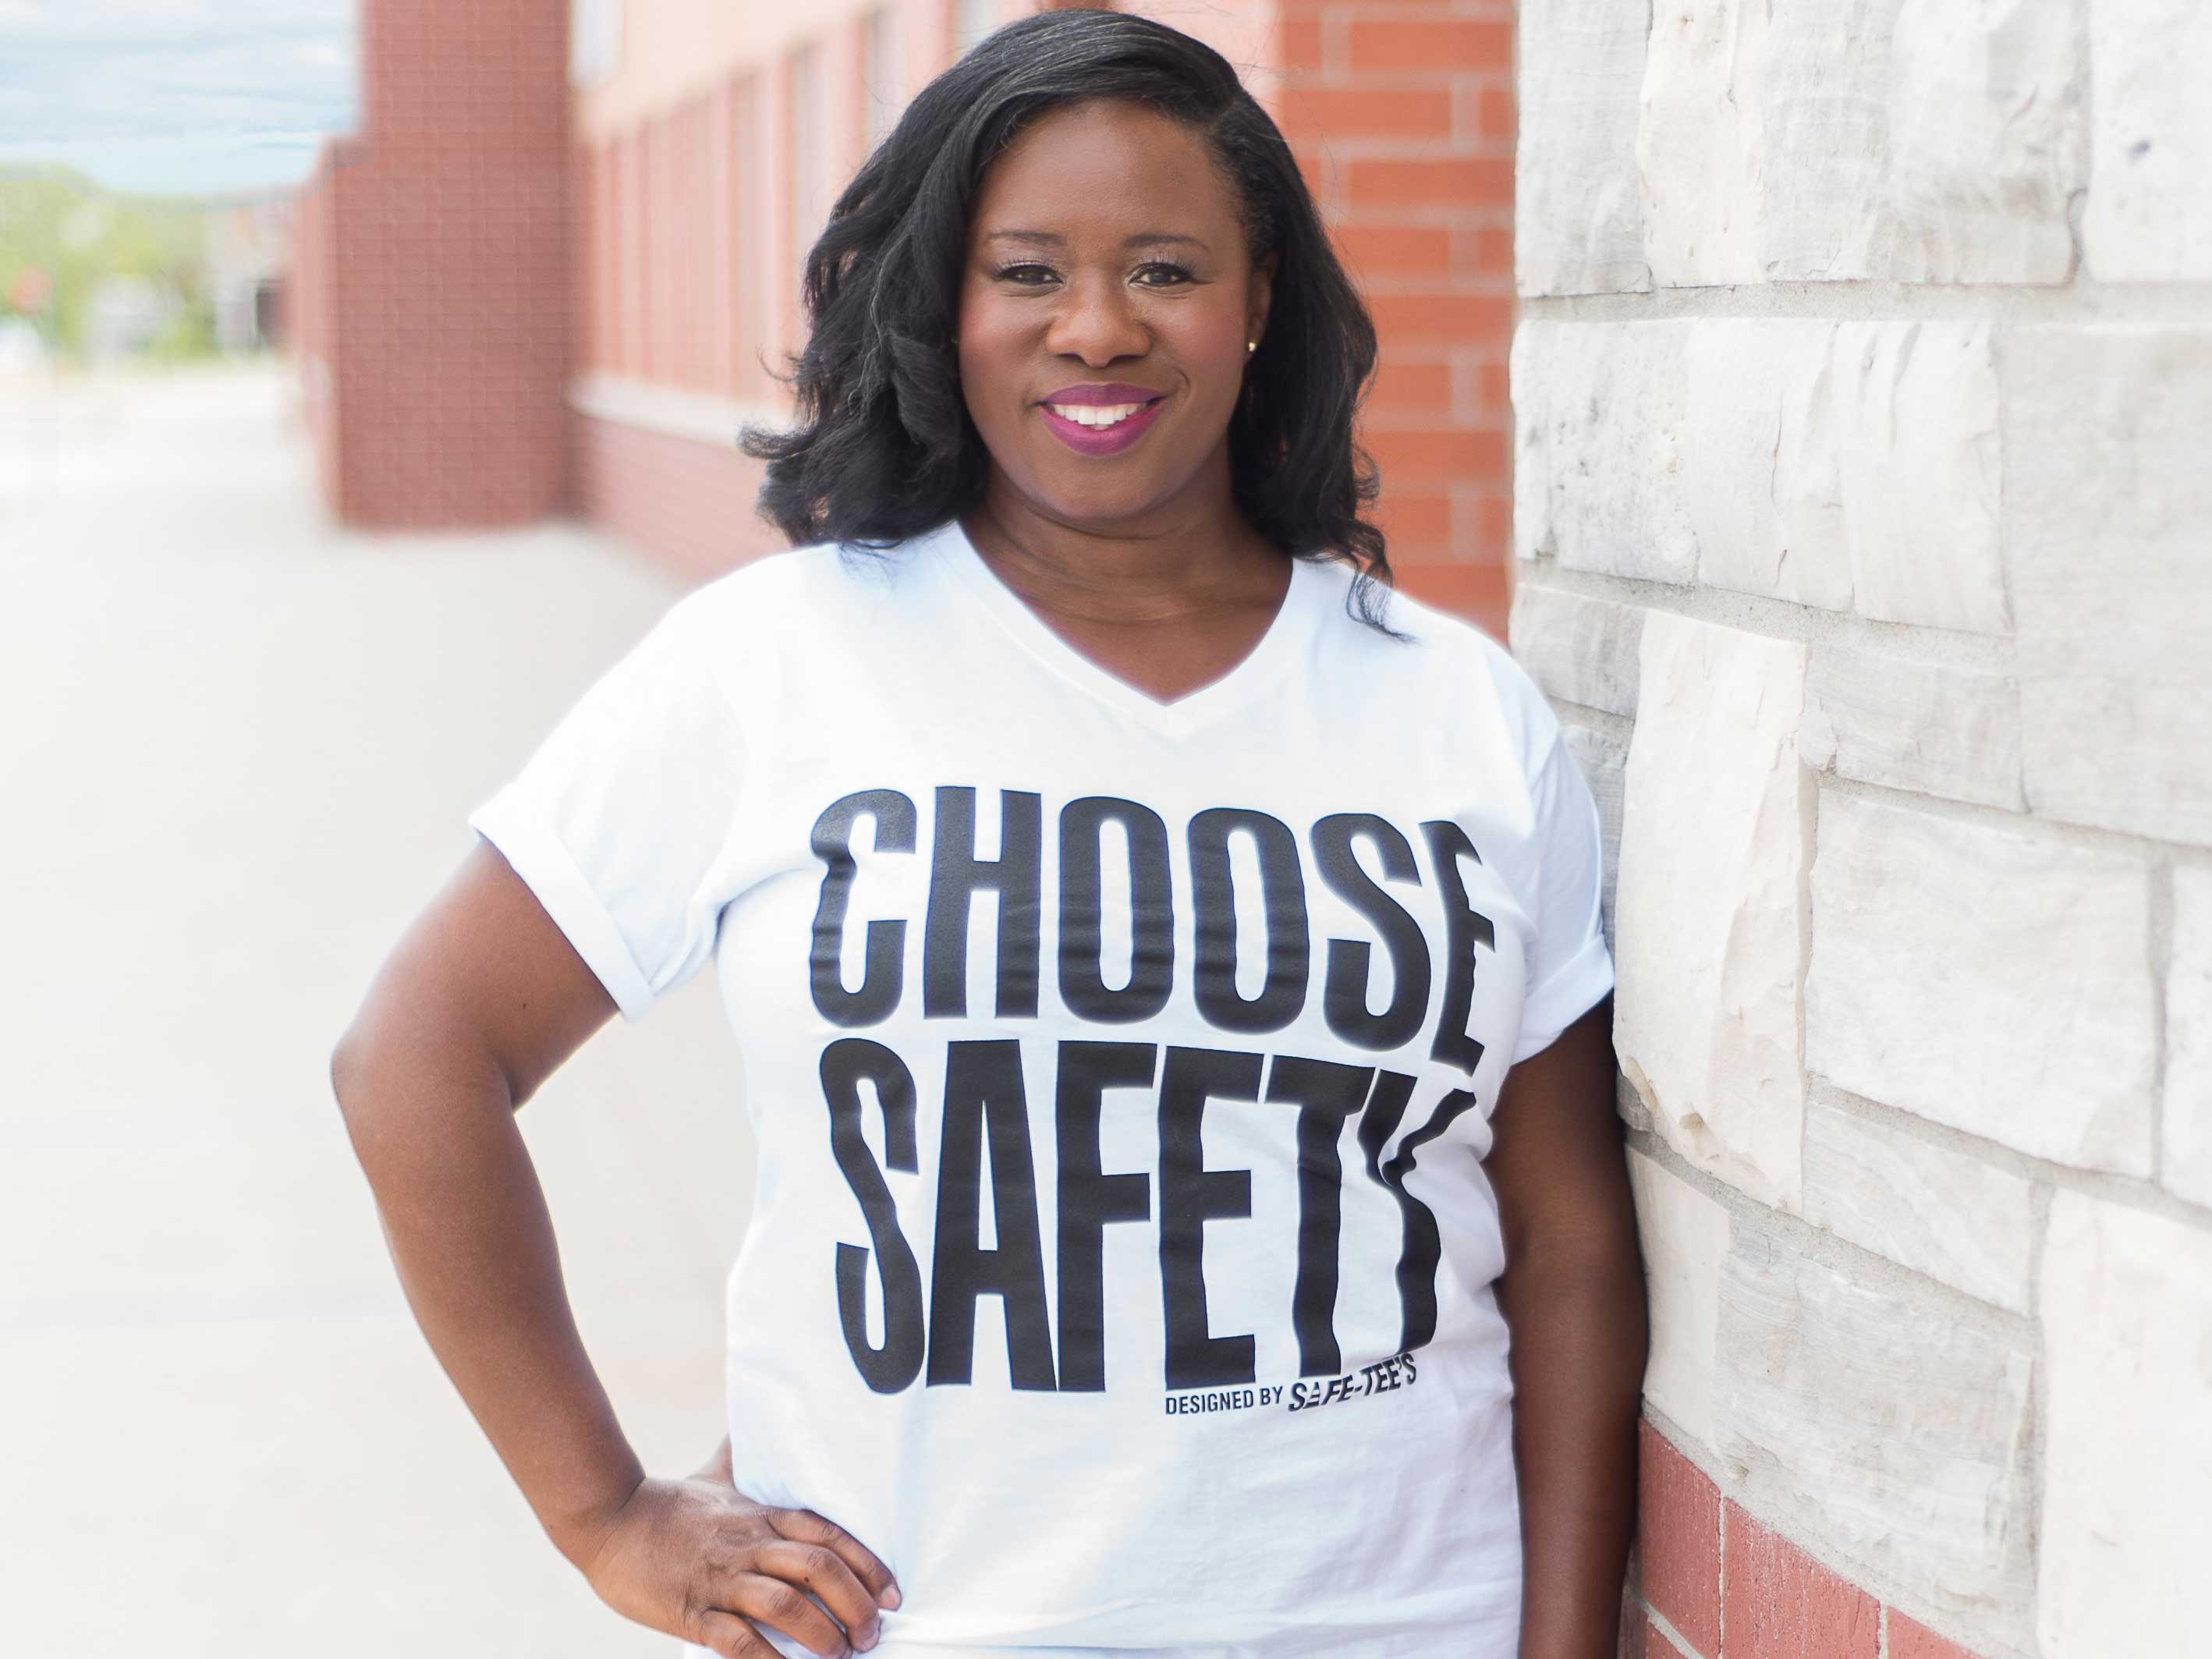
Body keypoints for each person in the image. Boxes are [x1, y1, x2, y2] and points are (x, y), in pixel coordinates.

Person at [329, 11, 1647, 1658]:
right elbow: (415, 1055)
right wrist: (606, 1513)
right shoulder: (776, 662)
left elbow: (1571, 1239)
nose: (1094, 327)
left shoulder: (1457, 713)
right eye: (1026, 271)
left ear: (1257, 309)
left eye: (1163, 268)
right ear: (941, 310)